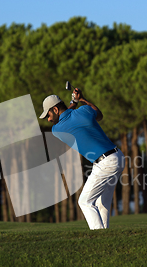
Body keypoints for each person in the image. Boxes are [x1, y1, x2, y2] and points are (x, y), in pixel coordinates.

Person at [39, 88, 124, 230]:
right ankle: (105, 237)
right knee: (101, 203)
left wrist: (74, 102)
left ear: (54, 109)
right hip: (118, 157)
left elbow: (68, 113)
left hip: (106, 163)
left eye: (48, 115)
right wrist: (81, 100)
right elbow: (99, 115)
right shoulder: (84, 111)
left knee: (85, 201)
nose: (48, 119)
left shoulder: (57, 129)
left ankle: (97, 237)